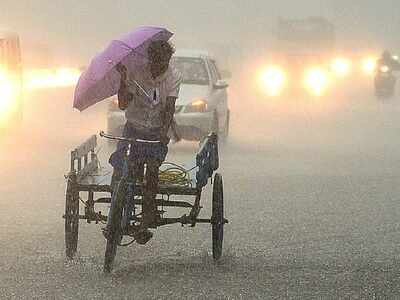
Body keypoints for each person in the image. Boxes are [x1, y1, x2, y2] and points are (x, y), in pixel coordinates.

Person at [106, 40, 181, 243]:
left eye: (162, 63)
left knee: (152, 171)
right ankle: (114, 212)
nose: (157, 68)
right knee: (121, 167)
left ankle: (146, 219)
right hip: (133, 129)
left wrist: (164, 134)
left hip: (156, 133)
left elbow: (169, 108)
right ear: (149, 60)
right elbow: (123, 104)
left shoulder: (173, 77)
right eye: (154, 62)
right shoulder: (136, 73)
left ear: (167, 61)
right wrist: (123, 79)